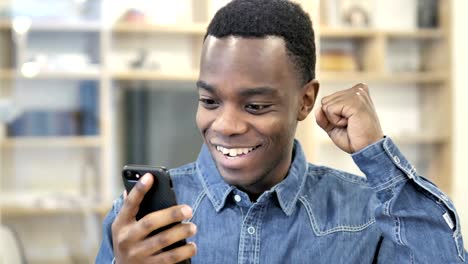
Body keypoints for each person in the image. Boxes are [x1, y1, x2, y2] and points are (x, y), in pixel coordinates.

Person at [96, 0, 467, 263]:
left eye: (255, 106)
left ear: (306, 101)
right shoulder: (140, 221)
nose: (225, 125)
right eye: (209, 101)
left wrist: (377, 156)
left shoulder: (366, 213)